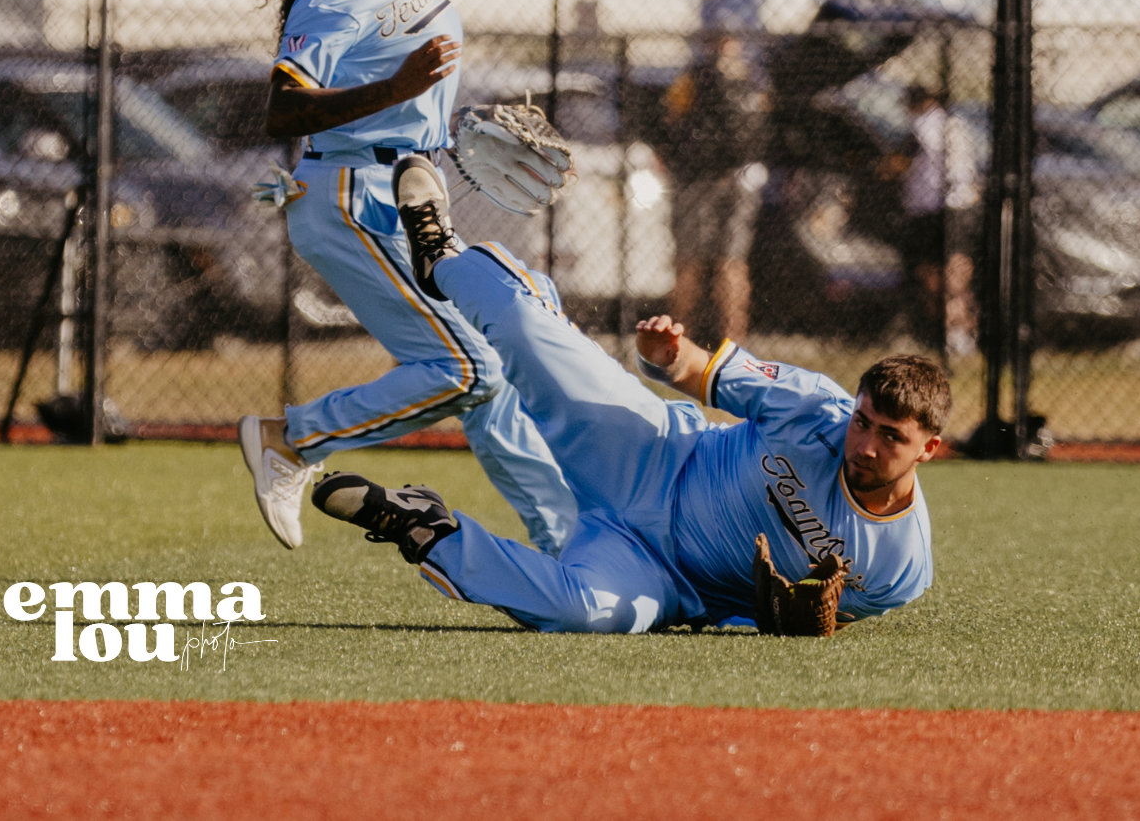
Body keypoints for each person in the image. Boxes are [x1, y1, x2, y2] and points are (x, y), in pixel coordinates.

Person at [309, 158, 950, 634]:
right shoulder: (816, 410)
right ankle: (442, 253)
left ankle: (425, 527)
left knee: (579, 612)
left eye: (891, 436)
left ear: (929, 448)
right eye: (864, 420)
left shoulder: (898, 568)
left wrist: (775, 624)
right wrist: (668, 358)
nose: (864, 443)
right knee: (527, 332)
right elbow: (703, 373)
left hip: (659, 577)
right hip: (652, 452)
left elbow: (814, 619)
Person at [236, 0, 576, 556]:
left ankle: (567, 542)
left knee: (494, 369)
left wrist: (451, 122)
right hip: (349, 196)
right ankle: (289, 440)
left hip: (413, 189)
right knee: (467, 368)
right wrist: (397, 90)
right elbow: (282, 111)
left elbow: (413, 94)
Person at [662, 32, 770, 345]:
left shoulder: (692, 78)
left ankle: (679, 341)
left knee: (689, 263)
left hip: (697, 179)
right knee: (733, 264)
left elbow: (670, 119)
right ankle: (733, 342)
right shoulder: (754, 79)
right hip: (742, 179)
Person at [884, 85, 979, 359]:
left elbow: (898, 164)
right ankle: (960, 334)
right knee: (957, 274)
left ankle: (951, 334)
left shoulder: (924, 125)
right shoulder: (957, 124)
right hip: (962, 207)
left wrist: (881, 168)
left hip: (932, 209)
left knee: (936, 276)